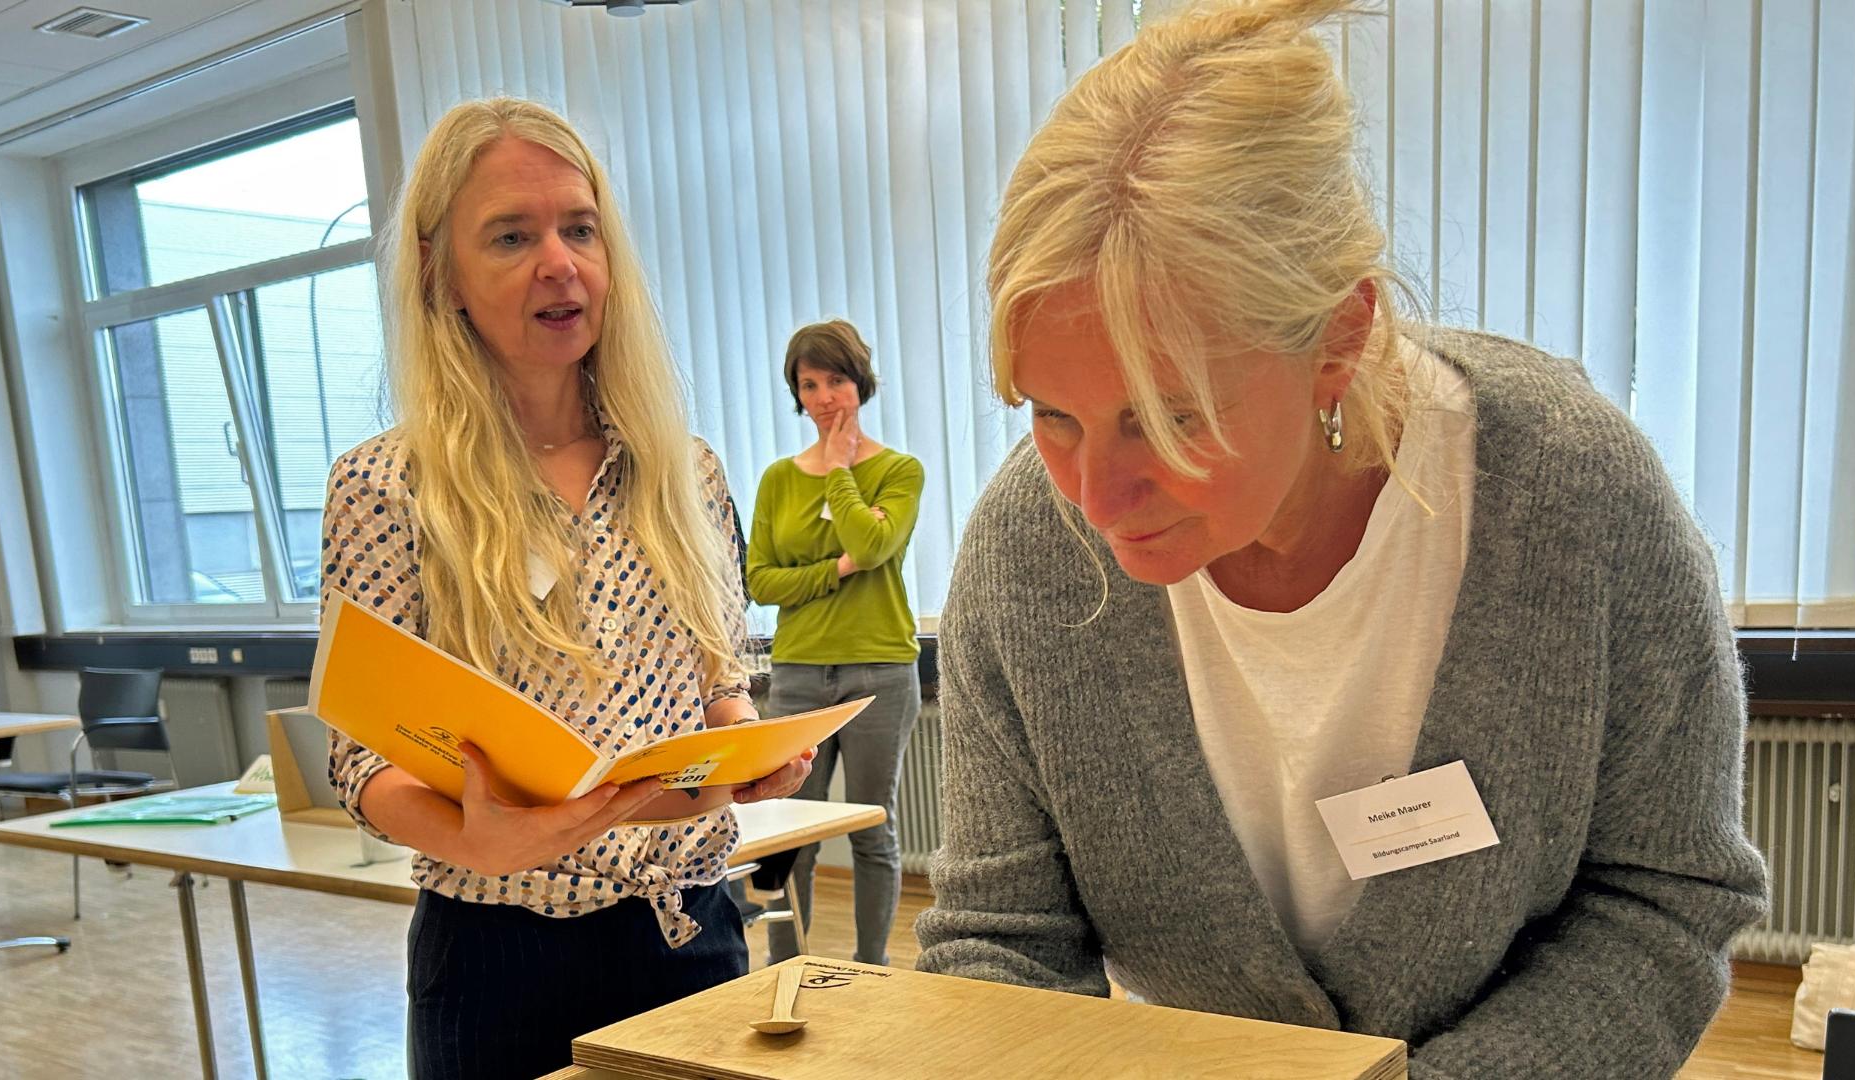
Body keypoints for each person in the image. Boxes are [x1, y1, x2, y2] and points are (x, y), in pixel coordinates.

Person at [912, 3, 1769, 1077]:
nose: (1094, 494)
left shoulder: (1570, 496)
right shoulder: (1024, 560)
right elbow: (1001, 941)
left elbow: (1662, 899)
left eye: (1170, 417)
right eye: (1050, 415)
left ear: (1342, 336)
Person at [321, 97, 812, 1080]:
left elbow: (721, 679)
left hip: (687, 927)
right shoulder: (387, 487)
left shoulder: (687, 472)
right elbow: (359, 760)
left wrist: (749, 749)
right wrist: (475, 837)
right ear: (441, 274)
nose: (560, 264)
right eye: (511, 236)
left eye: (579, 228)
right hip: (495, 949)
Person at [745, 320, 924, 966]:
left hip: (881, 670)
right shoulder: (776, 481)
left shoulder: (900, 472)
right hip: (797, 676)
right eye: (810, 383)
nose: (824, 397)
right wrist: (839, 570)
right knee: (793, 835)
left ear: (860, 383)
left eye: (837, 380)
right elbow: (760, 579)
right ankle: (789, 969)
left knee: (874, 829)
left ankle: (873, 969)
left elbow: (876, 543)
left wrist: (842, 472)